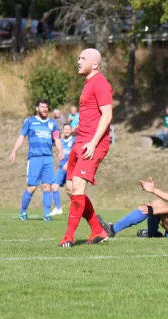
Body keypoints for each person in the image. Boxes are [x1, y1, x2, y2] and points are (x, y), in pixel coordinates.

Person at [58, 48, 113, 248]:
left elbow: (107, 116)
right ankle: (98, 230)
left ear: (95, 64)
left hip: (94, 144)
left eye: (83, 58)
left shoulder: (101, 83)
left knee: (79, 186)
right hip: (80, 141)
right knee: (71, 189)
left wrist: (93, 142)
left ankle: (68, 237)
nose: (79, 61)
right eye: (78, 57)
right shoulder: (88, 84)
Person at [98, 144, 168, 239]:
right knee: (156, 203)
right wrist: (153, 190)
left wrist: (155, 211)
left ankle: (112, 229)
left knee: (153, 207)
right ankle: (152, 234)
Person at [10, 98, 64, 221]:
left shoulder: (52, 124)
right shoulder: (30, 121)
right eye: (42, 107)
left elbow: (57, 139)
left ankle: (46, 215)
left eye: (46, 107)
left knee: (47, 187)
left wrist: (60, 151)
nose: (45, 109)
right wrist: (14, 151)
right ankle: (22, 213)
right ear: (37, 108)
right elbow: (21, 137)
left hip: (48, 159)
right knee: (32, 187)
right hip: (35, 158)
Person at [49, 123, 76, 216]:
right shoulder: (60, 141)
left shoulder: (74, 141)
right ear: (63, 130)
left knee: (72, 190)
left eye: (69, 129)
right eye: (65, 129)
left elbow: (76, 154)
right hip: (61, 168)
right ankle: (58, 208)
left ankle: (75, 210)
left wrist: (68, 164)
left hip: (71, 168)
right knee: (54, 187)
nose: (67, 131)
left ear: (71, 130)